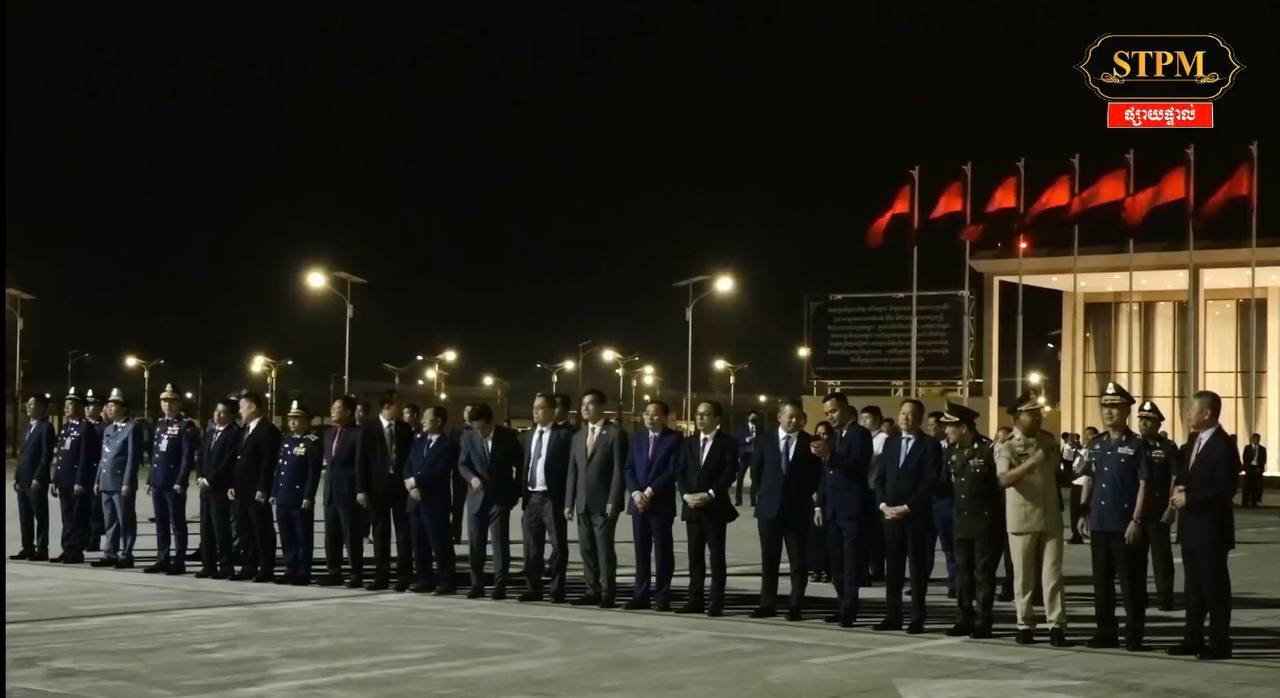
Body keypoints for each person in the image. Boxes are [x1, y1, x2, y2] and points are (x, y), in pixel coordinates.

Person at [1167, 390, 1240, 660]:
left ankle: (1220, 641)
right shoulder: (1193, 440)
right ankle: (1192, 638)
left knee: (1214, 588)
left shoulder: (1223, 445)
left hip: (1211, 530)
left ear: (1207, 413)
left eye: (1192, 409)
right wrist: (1179, 487)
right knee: (1193, 589)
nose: (1187, 414)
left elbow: (1226, 488)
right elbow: (1186, 474)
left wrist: (1190, 498)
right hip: (1190, 528)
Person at [1078, 382, 1150, 651]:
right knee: (1102, 582)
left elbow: (1144, 484)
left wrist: (1137, 520)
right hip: (1100, 522)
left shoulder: (1137, 445)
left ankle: (1134, 633)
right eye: (1105, 406)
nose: (1108, 412)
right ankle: (1106, 631)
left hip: (1124, 524)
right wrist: (1083, 512)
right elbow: (1089, 478)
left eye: (1115, 407)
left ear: (1127, 411)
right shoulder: (1097, 444)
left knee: (1131, 582)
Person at [995, 390, 1066, 646]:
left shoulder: (1047, 440)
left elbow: (1056, 471)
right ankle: (1024, 623)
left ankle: (1056, 624)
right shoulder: (1007, 446)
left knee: (1053, 575)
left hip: (1050, 515)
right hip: (1022, 518)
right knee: (1024, 577)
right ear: (1017, 418)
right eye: (1031, 414)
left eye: (1039, 414)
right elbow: (1004, 479)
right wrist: (1031, 462)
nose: (1038, 418)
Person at [874, 399, 942, 634]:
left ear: (920, 418)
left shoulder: (929, 446)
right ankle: (892, 615)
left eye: (911, 414)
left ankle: (916, 617)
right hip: (890, 516)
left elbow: (930, 481)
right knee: (892, 569)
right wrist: (883, 505)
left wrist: (907, 506)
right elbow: (880, 477)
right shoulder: (891, 443)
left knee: (917, 570)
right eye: (903, 413)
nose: (905, 418)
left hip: (916, 518)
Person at [750, 398, 820, 621]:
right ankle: (767, 603)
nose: (794, 421)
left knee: (798, 561)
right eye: (790, 417)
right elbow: (756, 471)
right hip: (769, 510)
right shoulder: (765, 440)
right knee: (769, 560)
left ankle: (795, 605)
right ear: (779, 417)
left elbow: (815, 477)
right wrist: (764, 495)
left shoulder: (810, 443)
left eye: (799, 417)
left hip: (797, 510)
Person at [941, 402, 1000, 639]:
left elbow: (997, 488)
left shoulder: (986, 450)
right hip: (961, 521)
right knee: (962, 573)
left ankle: (983, 619)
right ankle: (963, 617)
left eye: (950, 426)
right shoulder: (951, 451)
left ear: (963, 428)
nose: (946, 431)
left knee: (983, 574)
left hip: (984, 522)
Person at [814, 392, 873, 628]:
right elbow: (826, 475)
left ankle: (849, 609)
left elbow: (857, 466)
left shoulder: (860, 434)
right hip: (833, 510)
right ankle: (842, 605)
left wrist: (830, 455)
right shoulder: (835, 436)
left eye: (834, 411)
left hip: (852, 510)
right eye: (827, 413)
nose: (830, 416)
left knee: (850, 564)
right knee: (836, 564)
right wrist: (819, 504)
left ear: (847, 409)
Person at [564, 389, 628, 608]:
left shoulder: (615, 434)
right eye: (583, 404)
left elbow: (619, 470)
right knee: (587, 549)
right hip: (582, 502)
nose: (585, 408)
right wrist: (569, 502)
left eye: (590, 404)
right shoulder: (578, 436)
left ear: (602, 407)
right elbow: (572, 471)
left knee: (604, 550)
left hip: (604, 503)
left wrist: (613, 500)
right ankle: (592, 589)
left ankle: (608, 592)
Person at [676, 400, 739, 616]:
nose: (700, 418)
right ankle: (695, 599)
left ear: (717, 419)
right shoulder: (688, 442)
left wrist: (710, 494)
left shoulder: (727, 443)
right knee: (695, 557)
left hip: (714, 507)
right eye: (698, 414)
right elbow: (680, 471)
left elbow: (729, 473)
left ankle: (716, 601)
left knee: (716, 556)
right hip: (692, 506)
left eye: (706, 414)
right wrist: (686, 495)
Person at [457, 402, 522, 600]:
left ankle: (500, 585)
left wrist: (514, 493)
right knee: (476, 544)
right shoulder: (468, 436)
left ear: (491, 421)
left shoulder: (507, 436)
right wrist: (471, 478)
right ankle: (477, 584)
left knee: (500, 544)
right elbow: (463, 464)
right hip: (476, 498)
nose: (480, 433)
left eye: (482, 428)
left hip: (500, 499)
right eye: (476, 429)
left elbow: (520, 464)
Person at [623, 400, 682, 611]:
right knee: (641, 551)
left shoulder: (674, 439)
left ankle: (662, 595)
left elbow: (672, 470)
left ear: (665, 417)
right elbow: (628, 468)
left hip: (660, 503)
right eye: (646, 413)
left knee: (663, 551)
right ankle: (640, 594)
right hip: (638, 503)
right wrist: (636, 493)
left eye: (655, 414)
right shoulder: (637, 438)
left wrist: (649, 491)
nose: (650, 417)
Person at [518, 394, 574, 603]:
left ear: (552, 411)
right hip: (532, 497)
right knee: (531, 546)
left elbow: (571, 469)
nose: (535, 412)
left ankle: (557, 588)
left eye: (540, 408)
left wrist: (568, 500)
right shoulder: (529, 435)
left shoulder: (564, 436)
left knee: (558, 545)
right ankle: (533, 588)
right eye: (534, 407)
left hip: (553, 498)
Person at [358, 390, 415, 591]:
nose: (400, 409)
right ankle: (381, 576)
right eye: (397, 405)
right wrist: (362, 489)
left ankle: (404, 576)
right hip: (377, 488)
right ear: (386, 406)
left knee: (403, 533)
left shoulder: (404, 429)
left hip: (400, 487)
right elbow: (361, 461)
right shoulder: (369, 429)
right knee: (380, 532)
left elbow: (411, 458)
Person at [143, 384, 198, 575]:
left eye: (171, 401)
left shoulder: (185, 425)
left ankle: (179, 560)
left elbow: (186, 456)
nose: (167, 404)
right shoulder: (160, 425)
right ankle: (163, 558)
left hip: (174, 483)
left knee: (177, 523)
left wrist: (181, 480)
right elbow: (155, 455)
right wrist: (150, 479)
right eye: (164, 400)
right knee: (161, 523)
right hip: (159, 480)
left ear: (179, 403)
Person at [404, 405, 458, 594]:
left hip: (435, 501)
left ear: (439, 421)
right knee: (419, 544)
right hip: (415, 501)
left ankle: (447, 581)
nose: (422, 421)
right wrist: (410, 485)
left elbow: (439, 470)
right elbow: (408, 465)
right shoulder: (418, 442)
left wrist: (416, 482)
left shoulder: (447, 445)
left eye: (426, 418)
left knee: (440, 543)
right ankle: (424, 578)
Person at [228, 390, 281, 583]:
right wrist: (232, 485)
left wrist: (263, 487)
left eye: (242, 407)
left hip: (256, 490)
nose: (239, 411)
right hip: (242, 489)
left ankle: (266, 568)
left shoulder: (268, 430)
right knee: (245, 530)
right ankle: (248, 566)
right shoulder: (245, 429)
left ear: (251, 407)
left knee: (262, 530)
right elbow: (238, 459)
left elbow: (268, 462)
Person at [269, 401, 321, 586]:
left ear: (306, 421)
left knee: (302, 536)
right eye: (290, 418)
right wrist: (274, 491)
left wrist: (308, 495)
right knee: (287, 536)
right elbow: (280, 469)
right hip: (284, 495)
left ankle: (303, 571)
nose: (292, 422)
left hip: (299, 498)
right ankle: (290, 569)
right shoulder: (286, 440)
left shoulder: (311, 443)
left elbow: (312, 473)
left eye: (296, 419)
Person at [91, 389, 142, 569]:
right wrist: (98, 479)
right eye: (109, 406)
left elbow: (132, 458)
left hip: (121, 482)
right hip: (107, 481)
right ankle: (110, 553)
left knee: (125, 519)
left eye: (113, 406)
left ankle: (126, 553)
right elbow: (103, 457)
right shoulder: (109, 429)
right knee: (110, 520)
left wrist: (127, 481)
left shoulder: (132, 428)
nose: (109, 409)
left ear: (123, 408)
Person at [49, 388, 101, 564]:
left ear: (79, 407)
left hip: (77, 482)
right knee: (67, 518)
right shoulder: (66, 427)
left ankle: (76, 551)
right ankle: (67, 548)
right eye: (65, 404)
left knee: (78, 517)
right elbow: (61, 457)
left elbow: (86, 457)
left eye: (70, 404)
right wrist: (55, 479)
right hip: (64, 479)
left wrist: (80, 481)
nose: (66, 407)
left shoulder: (85, 428)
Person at [1136, 400, 1179, 612]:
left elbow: (1174, 478)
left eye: (1148, 420)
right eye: (1141, 420)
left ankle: (1164, 596)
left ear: (1158, 424)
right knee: (1135, 556)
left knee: (1161, 557)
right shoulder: (1132, 445)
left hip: (1157, 509)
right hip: (1135, 510)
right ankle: (1138, 596)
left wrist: (1171, 507)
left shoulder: (1167, 448)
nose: (1143, 424)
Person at [319, 396, 366, 588]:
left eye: (337, 408)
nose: (333, 410)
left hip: (349, 492)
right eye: (332, 407)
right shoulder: (329, 434)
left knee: (351, 534)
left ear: (348, 412)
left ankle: (356, 572)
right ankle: (334, 571)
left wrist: (361, 489)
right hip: (330, 491)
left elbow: (361, 464)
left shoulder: (358, 434)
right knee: (331, 534)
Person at [195, 398, 240, 579]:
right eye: (216, 411)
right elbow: (201, 455)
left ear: (231, 415)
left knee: (221, 529)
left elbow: (227, 462)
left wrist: (210, 479)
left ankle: (226, 566)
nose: (218, 415)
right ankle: (208, 565)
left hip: (219, 488)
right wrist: (199, 476)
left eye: (222, 412)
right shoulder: (210, 432)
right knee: (206, 529)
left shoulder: (233, 434)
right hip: (205, 488)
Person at [11, 393, 55, 562]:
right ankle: (27, 547)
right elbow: (22, 455)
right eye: (27, 404)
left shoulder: (46, 427)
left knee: (40, 515)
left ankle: (42, 549)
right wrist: (16, 476)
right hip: (23, 479)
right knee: (25, 516)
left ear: (42, 407)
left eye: (32, 404)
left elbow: (46, 455)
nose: (28, 407)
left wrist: (38, 476)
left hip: (36, 480)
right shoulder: (27, 427)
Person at [925, 409, 957, 599]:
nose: (931, 429)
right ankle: (921, 582)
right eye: (929, 425)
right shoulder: (925, 446)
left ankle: (954, 583)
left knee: (949, 545)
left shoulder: (951, 447)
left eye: (934, 426)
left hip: (945, 501)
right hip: (927, 501)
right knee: (925, 546)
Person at [860, 405, 887, 584]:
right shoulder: (863, 438)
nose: (864, 421)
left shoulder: (883, 439)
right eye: (862, 418)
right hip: (863, 490)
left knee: (876, 533)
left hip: (875, 490)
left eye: (867, 418)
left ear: (877, 419)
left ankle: (877, 569)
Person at [807, 422, 834, 586]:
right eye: (819, 433)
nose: (822, 437)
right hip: (814, 499)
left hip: (829, 499)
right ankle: (816, 568)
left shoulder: (832, 453)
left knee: (828, 537)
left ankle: (827, 569)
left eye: (825, 434)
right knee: (815, 537)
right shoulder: (811, 455)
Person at [83, 389, 106, 552]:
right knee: (81, 508)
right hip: (80, 473)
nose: (87, 408)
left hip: (95, 472)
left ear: (98, 408)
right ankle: (82, 538)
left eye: (91, 405)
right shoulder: (80, 425)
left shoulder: (103, 428)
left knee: (94, 509)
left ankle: (93, 540)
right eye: (86, 405)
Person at [1068, 426, 1099, 545]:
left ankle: (1088, 532)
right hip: (1076, 483)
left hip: (1086, 484)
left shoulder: (1095, 450)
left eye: (1089, 434)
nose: (1086, 437)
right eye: (1085, 434)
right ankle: (1076, 534)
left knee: (1086, 509)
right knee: (1074, 510)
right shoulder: (1081, 449)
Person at [450, 404, 474, 545]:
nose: (468, 414)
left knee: (474, 505)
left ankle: (475, 535)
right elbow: (452, 450)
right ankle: (455, 534)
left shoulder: (478, 429)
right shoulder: (457, 430)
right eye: (466, 411)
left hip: (474, 473)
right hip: (459, 473)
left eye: (470, 412)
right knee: (457, 505)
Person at [734, 410, 760, 506]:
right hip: (744, 456)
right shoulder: (742, 428)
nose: (754, 418)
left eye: (755, 416)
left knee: (754, 478)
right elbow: (737, 440)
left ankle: (753, 501)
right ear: (748, 417)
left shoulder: (759, 428)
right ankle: (738, 500)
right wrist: (747, 439)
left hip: (754, 456)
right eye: (752, 416)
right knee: (740, 478)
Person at [1242, 434, 1266, 507]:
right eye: (1255, 439)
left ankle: (1254, 501)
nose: (1257, 440)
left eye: (1258, 439)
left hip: (1258, 468)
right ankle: (1245, 502)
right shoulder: (1247, 447)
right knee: (1247, 486)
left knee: (1257, 486)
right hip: (1249, 469)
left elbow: (1263, 459)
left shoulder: (1262, 449)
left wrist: (1259, 467)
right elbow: (1245, 458)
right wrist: (1248, 468)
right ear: (1252, 439)